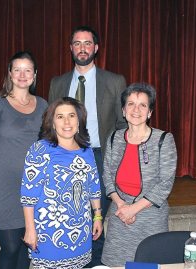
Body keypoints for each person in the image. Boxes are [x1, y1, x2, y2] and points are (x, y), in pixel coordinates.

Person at [48, 25, 127, 266]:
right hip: (65, 156)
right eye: (77, 43)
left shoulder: (114, 81)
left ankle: (94, 264)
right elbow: (51, 123)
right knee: (69, 213)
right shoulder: (57, 83)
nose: (83, 48)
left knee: (97, 215)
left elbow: (122, 123)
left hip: (99, 156)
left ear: (96, 48)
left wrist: (115, 158)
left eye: (87, 43)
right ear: (70, 48)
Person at [0, 51, 48, 269]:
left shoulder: (44, 105)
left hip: (34, 187)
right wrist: (0, 164)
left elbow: (47, 142)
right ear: (10, 73)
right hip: (3, 187)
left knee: (27, 246)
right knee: (10, 247)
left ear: (35, 74)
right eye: (17, 69)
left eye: (28, 69)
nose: (22, 74)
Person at [21, 97, 103, 269]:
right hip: (49, 233)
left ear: (79, 121)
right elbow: (29, 195)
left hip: (81, 231)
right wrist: (30, 229)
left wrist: (97, 216)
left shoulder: (87, 150)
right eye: (60, 116)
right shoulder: (40, 150)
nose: (67, 121)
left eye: (71, 115)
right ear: (52, 123)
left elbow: (93, 187)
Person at [101, 82, 177, 266]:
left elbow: (165, 183)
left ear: (150, 112)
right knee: (115, 264)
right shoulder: (114, 137)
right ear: (123, 110)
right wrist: (121, 206)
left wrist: (133, 209)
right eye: (131, 104)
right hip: (119, 215)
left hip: (150, 217)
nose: (136, 109)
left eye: (143, 105)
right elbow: (107, 176)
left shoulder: (164, 139)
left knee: (147, 264)